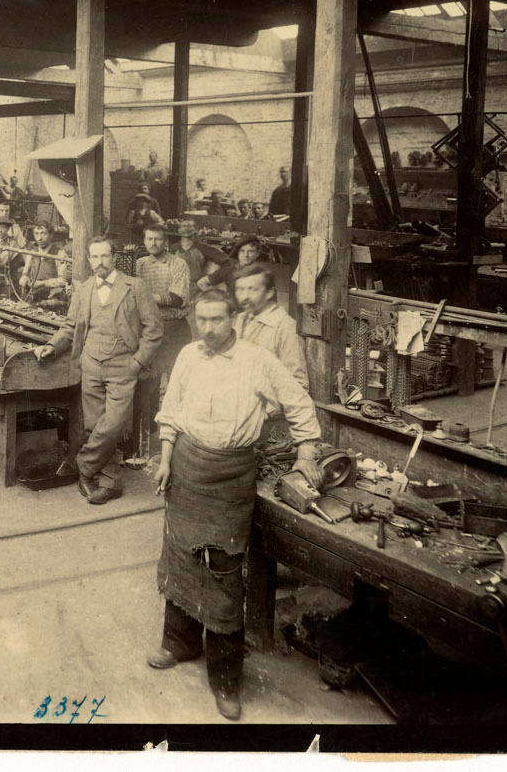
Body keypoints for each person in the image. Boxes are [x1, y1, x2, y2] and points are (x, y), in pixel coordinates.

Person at [149, 289, 324, 721]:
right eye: (201, 320)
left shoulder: (258, 361)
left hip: (230, 478)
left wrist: (305, 456)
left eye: (216, 320)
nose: (208, 329)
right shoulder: (188, 355)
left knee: (224, 571)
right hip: (187, 469)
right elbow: (171, 410)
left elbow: (300, 404)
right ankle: (180, 643)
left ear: (234, 319)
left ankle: (225, 679)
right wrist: (166, 461)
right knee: (180, 558)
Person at [33, 236, 163, 505]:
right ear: (89, 259)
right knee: (94, 427)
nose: (99, 262)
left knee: (113, 424)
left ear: (113, 257)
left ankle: (82, 465)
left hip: (123, 366)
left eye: (104, 256)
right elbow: (70, 327)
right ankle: (110, 482)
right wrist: (51, 346)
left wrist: (137, 362)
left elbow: (154, 330)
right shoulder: (83, 290)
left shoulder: (134, 286)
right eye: (94, 257)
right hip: (90, 364)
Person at [232, 263, 307, 389]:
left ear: (269, 293)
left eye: (252, 289)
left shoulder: (285, 326)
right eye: (240, 290)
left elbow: (298, 385)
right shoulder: (238, 320)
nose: (245, 297)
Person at [136, 225, 191, 380]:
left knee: (175, 378)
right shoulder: (139, 264)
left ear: (165, 241)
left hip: (173, 328)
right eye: (150, 239)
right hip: (147, 328)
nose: (153, 243)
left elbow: (177, 298)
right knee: (149, 379)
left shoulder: (177, 264)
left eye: (158, 239)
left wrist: (145, 297)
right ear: (144, 241)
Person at [171, 218, 207, 335]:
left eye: (190, 226)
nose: (186, 228)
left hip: (196, 290)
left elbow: (225, 261)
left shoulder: (202, 247)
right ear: (179, 230)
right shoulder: (173, 248)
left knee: (195, 323)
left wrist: (209, 278)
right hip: (177, 289)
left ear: (196, 230)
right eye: (183, 226)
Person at [19, 221, 69, 299]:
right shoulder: (32, 253)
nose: (40, 238)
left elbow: (63, 280)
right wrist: (24, 278)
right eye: (37, 234)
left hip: (51, 297)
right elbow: (25, 273)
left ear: (51, 235)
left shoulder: (59, 254)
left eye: (43, 233)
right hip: (33, 295)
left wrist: (42, 283)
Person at [198, 234, 263, 294]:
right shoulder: (228, 271)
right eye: (242, 251)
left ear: (258, 253)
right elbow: (201, 283)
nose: (246, 255)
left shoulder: (263, 273)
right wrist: (218, 299)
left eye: (250, 251)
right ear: (238, 253)